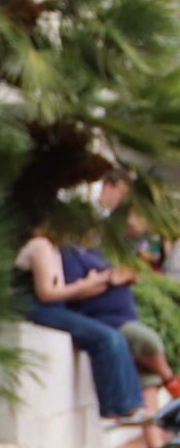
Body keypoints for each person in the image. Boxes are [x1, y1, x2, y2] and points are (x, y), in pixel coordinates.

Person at [18, 212, 150, 423]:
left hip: (55, 306)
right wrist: (86, 285)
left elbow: (61, 289)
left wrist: (100, 282)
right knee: (106, 339)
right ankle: (116, 407)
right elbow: (46, 294)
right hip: (37, 308)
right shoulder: (41, 245)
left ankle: (133, 406)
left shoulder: (55, 249)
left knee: (116, 337)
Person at [75, 174, 180, 401]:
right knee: (148, 343)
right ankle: (172, 381)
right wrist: (113, 279)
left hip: (123, 314)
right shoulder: (86, 236)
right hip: (107, 319)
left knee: (147, 375)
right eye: (122, 191)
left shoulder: (114, 232)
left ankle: (154, 434)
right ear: (107, 186)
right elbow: (83, 284)